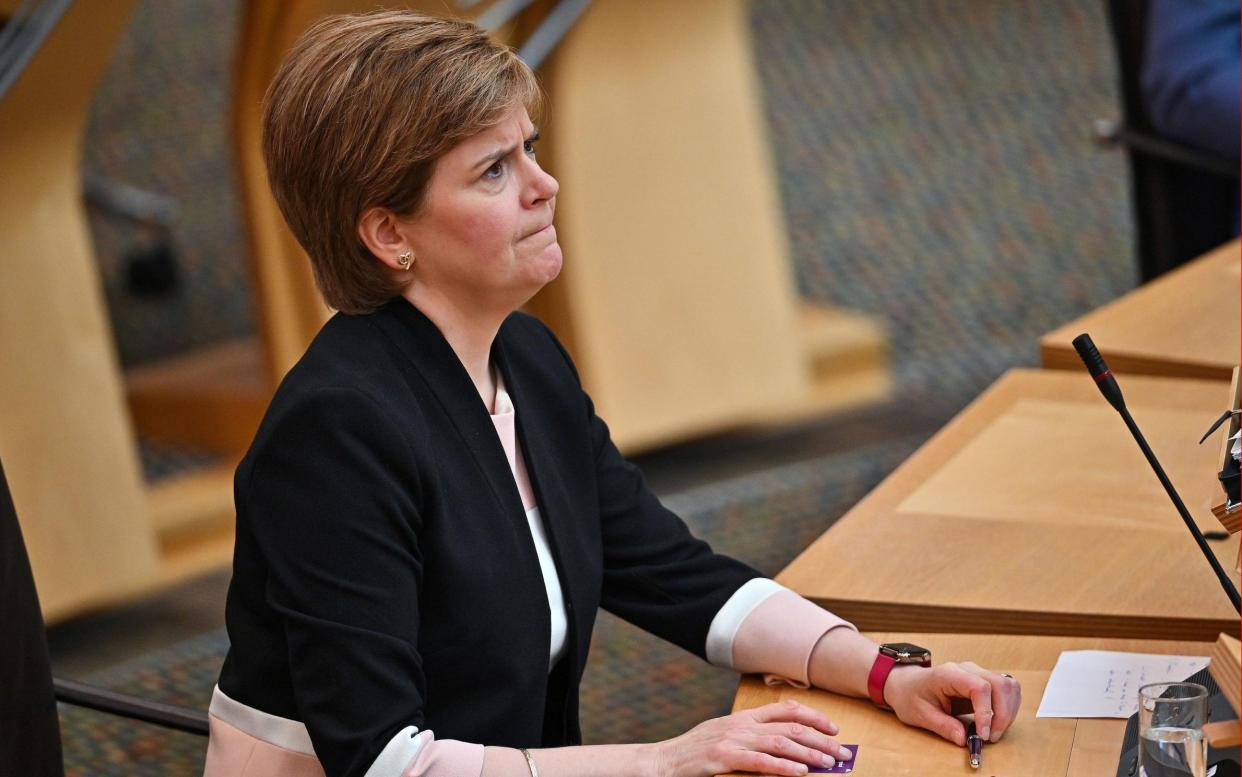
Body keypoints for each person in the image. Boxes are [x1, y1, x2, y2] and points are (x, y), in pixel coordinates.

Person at [204, 11, 1021, 777]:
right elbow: (385, 761)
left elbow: (669, 569)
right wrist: (661, 759)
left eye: (529, 147)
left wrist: (883, 673)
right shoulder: (338, 431)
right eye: (495, 170)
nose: (544, 184)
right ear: (390, 234)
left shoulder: (521, 355)